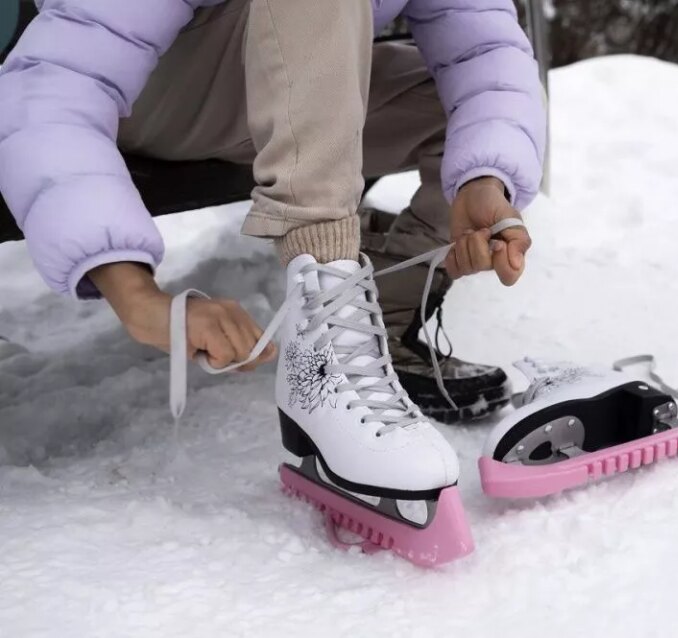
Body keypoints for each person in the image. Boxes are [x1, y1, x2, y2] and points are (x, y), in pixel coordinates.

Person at [0, 1, 545, 511]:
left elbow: (485, 56)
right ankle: (323, 346)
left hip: (297, 80)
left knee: (465, 110)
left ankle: (372, 316)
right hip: (161, 95)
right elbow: (53, 90)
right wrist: (135, 293)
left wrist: (483, 178)